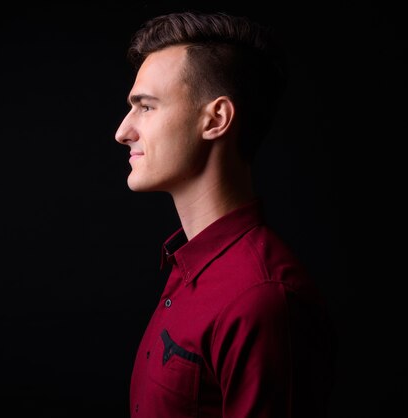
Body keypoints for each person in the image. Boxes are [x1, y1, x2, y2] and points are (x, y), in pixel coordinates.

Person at [114, 11, 336, 418]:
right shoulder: (187, 266)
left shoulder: (262, 298)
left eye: (145, 107)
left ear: (215, 119)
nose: (123, 131)